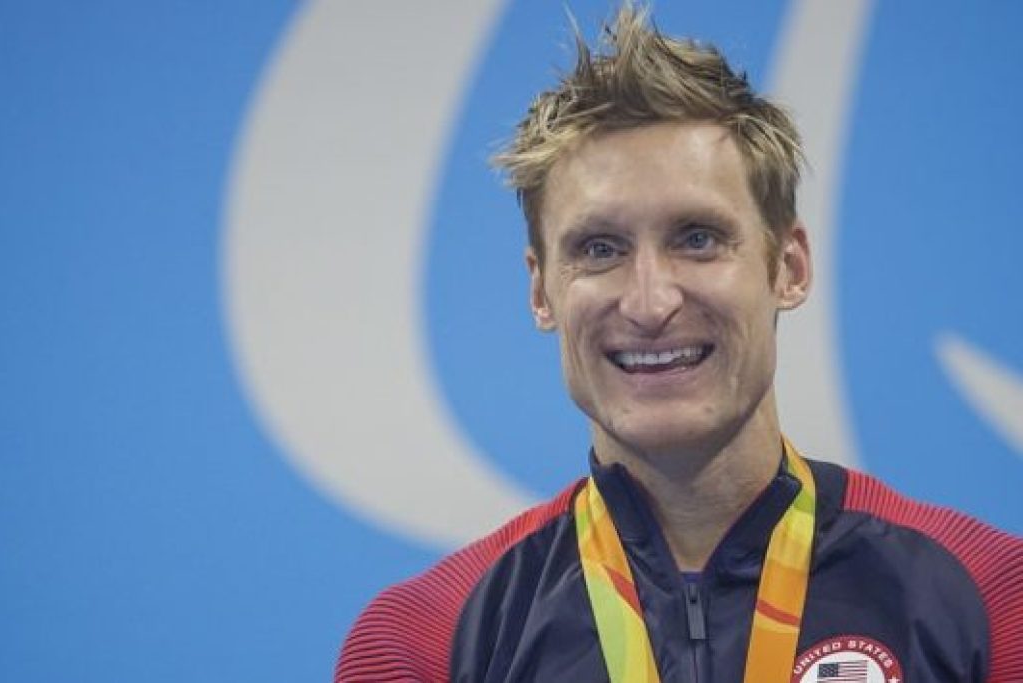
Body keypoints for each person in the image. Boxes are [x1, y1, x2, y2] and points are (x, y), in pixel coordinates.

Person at [336, 6, 1022, 682]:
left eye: (697, 238)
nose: (650, 302)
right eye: (599, 249)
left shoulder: (990, 597)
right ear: (541, 291)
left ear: (789, 267)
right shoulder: (422, 643)